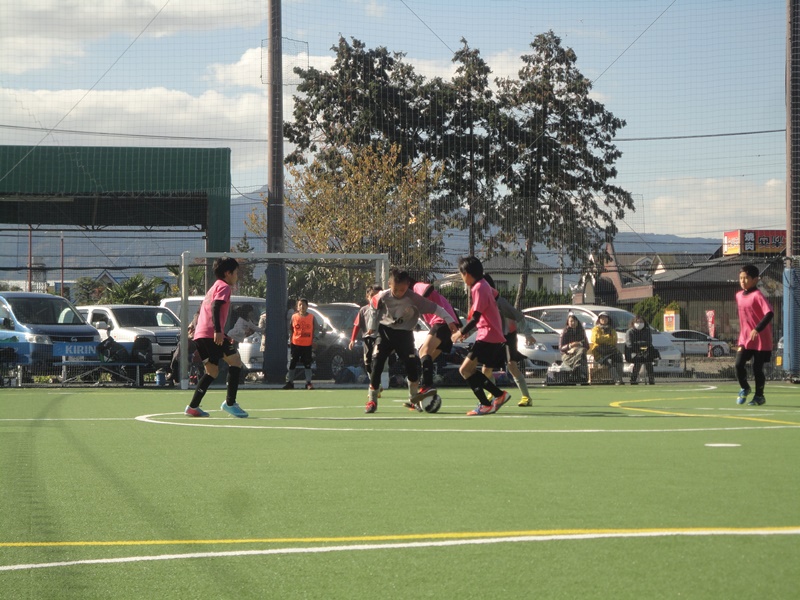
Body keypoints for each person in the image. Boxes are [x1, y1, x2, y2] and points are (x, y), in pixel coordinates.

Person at [364, 268, 458, 414]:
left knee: (411, 367)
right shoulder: (382, 296)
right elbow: (373, 306)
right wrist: (371, 326)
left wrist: (450, 320)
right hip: (385, 332)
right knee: (377, 362)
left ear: (408, 285)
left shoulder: (414, 298)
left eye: (402, 290)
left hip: (405, 334)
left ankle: (414, 399)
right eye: (396, 289)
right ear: (389, 284)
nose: (399, 293)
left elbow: (436, 308)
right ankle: (372, 400)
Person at [184, 257, 248, 418]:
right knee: (236, 361)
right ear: (228, 273)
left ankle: (193, 407)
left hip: (200, 335)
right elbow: (215, 306)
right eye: (236, 273)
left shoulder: (213, 287)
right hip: (210, 334)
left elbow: (204, 310)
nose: (237, 276)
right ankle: (230, 403)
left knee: (211, 371)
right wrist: (218, 331)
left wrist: (219, 332)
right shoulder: (224, 287)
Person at [451, 256, 511, 416]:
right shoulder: (484, 284)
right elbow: (495, 295)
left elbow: (476, 317)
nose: (462, 278)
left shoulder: (478, 287)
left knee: (465, 370)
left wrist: (460, 332)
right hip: (491, 334)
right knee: (468, 370)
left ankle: (490, 401)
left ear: (467, 274)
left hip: (488, 335)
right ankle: (496, 397)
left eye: (461, 274)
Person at [478, 274, 536, 407]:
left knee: (511, 365)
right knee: (486, 369)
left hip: (507, 336)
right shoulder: (481, 300)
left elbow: (518, 316)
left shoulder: (499, 301)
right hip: (493, 338)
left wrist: (528, 334)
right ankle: (493, 393)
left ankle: (526, 397)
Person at [410, 279, 461, 410]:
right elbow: (448, 306)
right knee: (427, 360)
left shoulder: (416, 287)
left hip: (442, 323)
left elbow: (428, 288)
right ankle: (423, 395)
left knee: (423, 352)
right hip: (447, 325)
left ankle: (427, 386)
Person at [735, 264, 774, 406]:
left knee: (757, 368)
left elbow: (769, 313)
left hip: (760, 339)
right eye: (740, 278)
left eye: (746, 278)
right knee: (738, 364)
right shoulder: (738, 295)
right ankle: (745, 387)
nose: (742, 281)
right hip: (744, 338)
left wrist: (757, 329)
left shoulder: (758, 295)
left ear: (755, 279)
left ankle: (759, 396)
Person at [283, 298, 321, 390]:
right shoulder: (294, 317)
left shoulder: (311, 317)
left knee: (307, 363)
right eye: (300, 305)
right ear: (297, 307)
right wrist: (290, 339)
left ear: (307, 306)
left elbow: (317, 329)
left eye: (303, 305)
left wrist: (314, 339)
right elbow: (291, 329)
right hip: (295, 343)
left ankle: (308, 383)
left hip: (307, 344)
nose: (302, 307)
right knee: (293, 362)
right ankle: (290, 382)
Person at [349, 284, 382, 379]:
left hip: (380, 337)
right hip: (368, 338)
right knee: (367, 361)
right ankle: (372, 380)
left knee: (377, 357)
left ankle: (377, 380)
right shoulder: (363, 310)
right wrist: (352, 340)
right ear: (367, 297)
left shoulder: (384, 309)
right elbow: (357, 325)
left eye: (378, 295)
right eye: (372, 296)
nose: (375, 298)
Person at [589, 311, 624, 385]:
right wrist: (608, 337)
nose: (603, 319)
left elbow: (614, 341)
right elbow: (595, 339)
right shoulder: (595, 329)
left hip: (610, 351)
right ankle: (617, 380)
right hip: (599, 352)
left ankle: (620, 378)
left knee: (619, 358)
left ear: (608, 319)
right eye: (602, 318)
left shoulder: (612, 330)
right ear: (599, 319)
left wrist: (602, 339)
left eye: (605, 317)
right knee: (608, 362)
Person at [624, 314, 657, 385]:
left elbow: (649, 343)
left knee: (648, 360)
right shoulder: (630, 332)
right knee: (638, 360)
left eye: (641, 322)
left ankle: (651, 379)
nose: (639, 324)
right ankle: (633, 379)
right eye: (637, 322)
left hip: (645, 351)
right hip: (632, 352)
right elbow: (629, 345)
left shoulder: (647, 331)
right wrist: (641, 345)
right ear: (633, 323)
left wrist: (638, 344)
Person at [558, 312, 589, 379]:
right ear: (568, 322)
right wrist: (570, 346)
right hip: (567, 355)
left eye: (575, 321)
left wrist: (579, 344)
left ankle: (580, 374)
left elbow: (587, 346)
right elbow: (561, 348)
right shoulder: (565, 331)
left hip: (579, 353)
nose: (573, 323)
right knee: (581, 357)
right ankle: (578, 373)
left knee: (581, 351)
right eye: (571, 321)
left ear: (577, 322)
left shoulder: (581, 331)